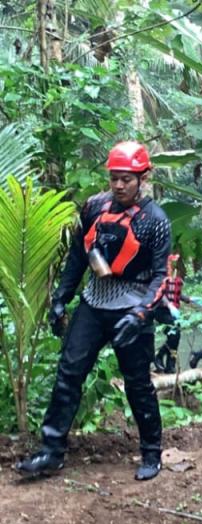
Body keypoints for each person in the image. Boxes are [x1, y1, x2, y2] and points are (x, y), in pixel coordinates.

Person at [16, 141, 170, 481]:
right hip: (94, 302)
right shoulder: (95, 207)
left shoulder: (155, 220)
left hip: (132, 307)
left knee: (138, 383)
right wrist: (60, 299)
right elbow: (77, 256)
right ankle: (51, 452)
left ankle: (151, 453)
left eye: (127, 179)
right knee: (68, 375)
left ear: (142, 178)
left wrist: (142, 313)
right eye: (115, 178)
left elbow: (161, 275)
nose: (119, 185)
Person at [153, 253, 192, 374]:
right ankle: (160, 358)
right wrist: (169, 305)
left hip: (172, 310)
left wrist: (190, 299)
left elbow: (176, 294)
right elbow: (159, 291)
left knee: (175, 336)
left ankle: (169, 365)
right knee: (174, 334)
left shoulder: (177, 276)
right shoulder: (162, 274)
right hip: (160, 309)